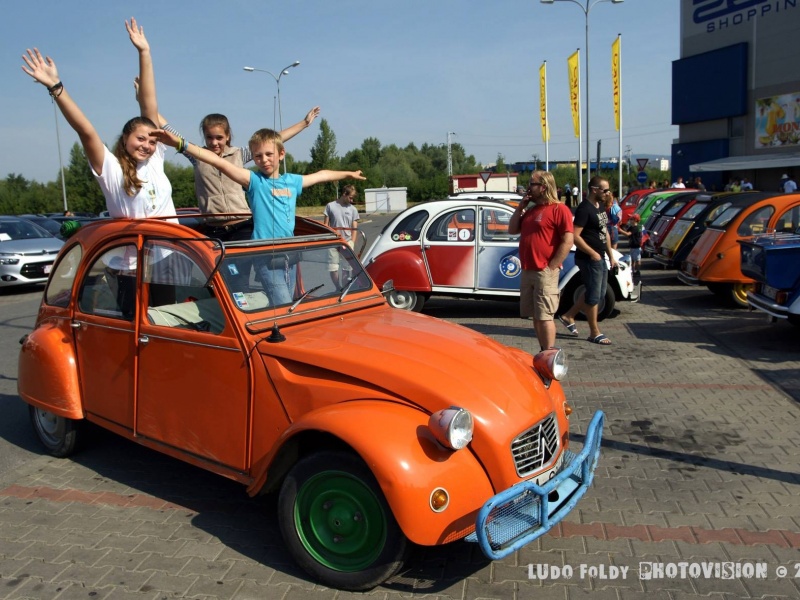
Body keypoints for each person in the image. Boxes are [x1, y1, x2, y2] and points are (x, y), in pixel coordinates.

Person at [154, 127, 365, 305]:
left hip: (289, 255)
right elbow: (220, 163)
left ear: (281, 154)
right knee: (283, 303)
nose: (263, 160)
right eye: (257, 156)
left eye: (268, 154)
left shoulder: (292, 181)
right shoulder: (254, 181)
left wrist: (348, 174)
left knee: (285, 303)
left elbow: (323, 174)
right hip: (265, 255)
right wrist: (181, 144)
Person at [21, 19, 176, 220]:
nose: (147, 145)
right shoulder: (112, 169)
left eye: (153, 142)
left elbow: (149, 104)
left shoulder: (154, 161)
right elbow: (86, 130)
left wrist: (144, 52)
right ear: (125, 138)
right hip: (134, 251)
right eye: (140, 139)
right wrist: (56, 87)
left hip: (172, 250)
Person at [133, 78, 320, 240]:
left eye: (219, 138)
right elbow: (166, 127)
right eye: (209, 138)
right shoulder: (197, 155)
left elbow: (274, 140)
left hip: (243, 224)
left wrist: (304, 124)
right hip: (213, 228)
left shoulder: (239, 154)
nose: (214, 143)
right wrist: (143, 98)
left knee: (240, 277)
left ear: (228, 136)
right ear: (204, 138)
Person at [508, 171, 574, 351]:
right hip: (529, 269)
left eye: (532, 183)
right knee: (536, 316)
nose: (528, 187)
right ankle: (543, 349)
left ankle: (549, 352)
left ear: (543, 187)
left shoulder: (559, 209)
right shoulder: (531, 210)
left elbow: (568, 240)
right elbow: (512, 229)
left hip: (545, 271)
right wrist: (520, 207)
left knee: (545, 315)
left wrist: (552, 266)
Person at [558, 175, 618, 346]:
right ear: (594, 190)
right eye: (605, 190)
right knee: (593, 296)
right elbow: (575, 236)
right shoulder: (585, 209)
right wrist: (592, 253)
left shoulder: (599, 207)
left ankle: (568, 316)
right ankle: (594, 332)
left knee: (598, 293)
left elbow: (604, 232)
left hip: (601, 257)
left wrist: (611, 255)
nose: (608, 193)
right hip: (588, 259)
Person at [323, 185, 360, 286]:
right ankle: (338, 288)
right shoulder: (330, 206)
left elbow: (354, 229)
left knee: (347, 267)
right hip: (333, 241)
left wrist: (351, 242)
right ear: (344, 194)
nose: (352, 200)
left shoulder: (353, 209)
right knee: (333, 267)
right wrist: (327, 239)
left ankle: (345, 288)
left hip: (347, 241)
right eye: (350, 197)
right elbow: (325, 225)